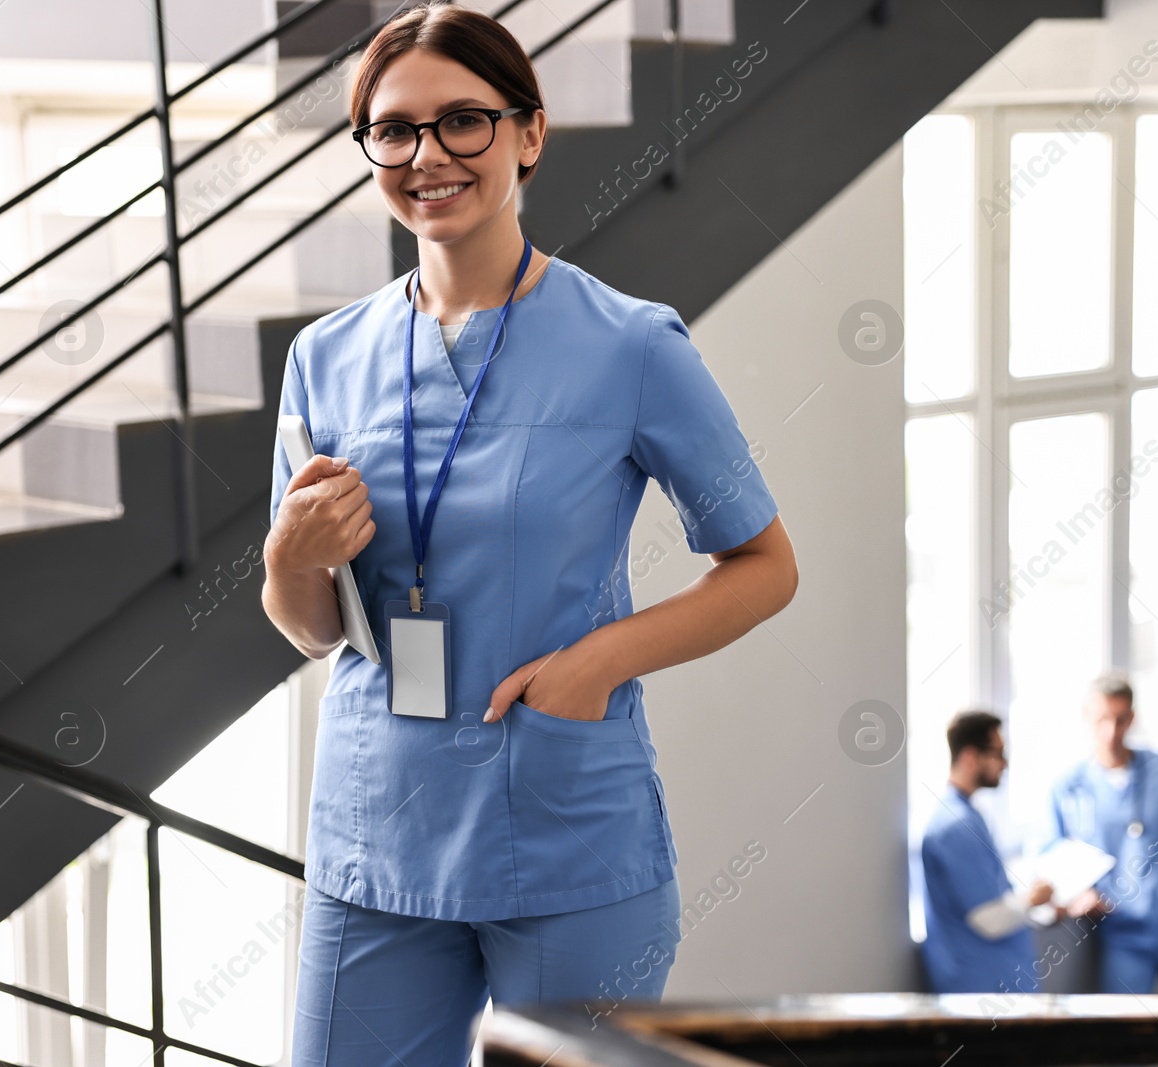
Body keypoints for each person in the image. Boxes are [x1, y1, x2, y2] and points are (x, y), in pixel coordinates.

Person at [261, 5, 798, 1062]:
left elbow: (765, 565)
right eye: (394, 129)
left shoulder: (631, 346)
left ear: (529, 133)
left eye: (464, 121)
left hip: (565, 827)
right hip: (377, 832)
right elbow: (312, 627)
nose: (428, 156)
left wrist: (602, 658)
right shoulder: (326, 357)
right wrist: (287, 559)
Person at [1046, 673, 1158, 994]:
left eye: (1121, 720)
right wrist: (1073, 895)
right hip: (1122, 933)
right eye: (1102, 720)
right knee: (1126, 1030)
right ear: (1087, 719)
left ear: (1132, 718)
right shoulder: (1069, 785)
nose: (1111, 732)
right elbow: (1047, 850)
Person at [921, 710, 1055, 993]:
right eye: (998, 753)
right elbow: (989, 919)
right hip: (982, 988)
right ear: (970, 757)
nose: (1004, 764)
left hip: (995, 981)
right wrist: (1033, 898)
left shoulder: (967, 815)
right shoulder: (955, 827)